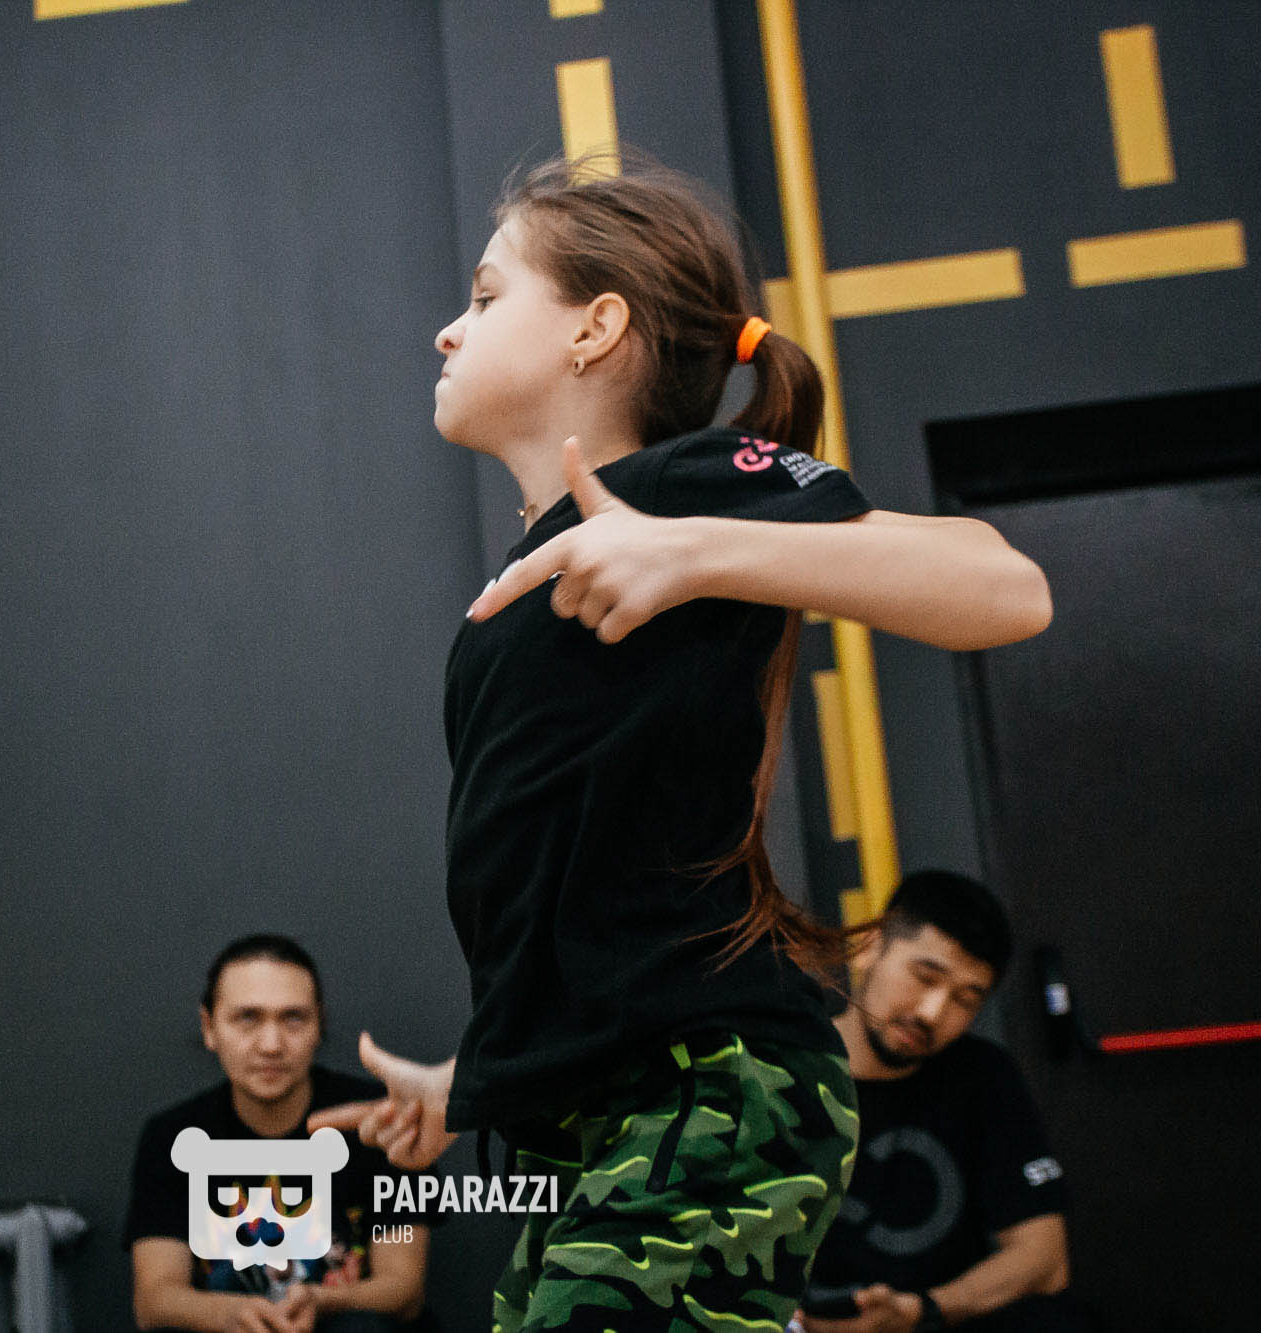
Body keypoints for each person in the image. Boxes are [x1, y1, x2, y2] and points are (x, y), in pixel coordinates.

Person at [307, 150, 1054, 1333]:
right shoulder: (542, 567)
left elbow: (1005, 587)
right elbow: (582, 893)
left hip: (710, 1092)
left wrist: (692, 548)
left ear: (595, 328)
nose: (448, 331)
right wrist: (479, 1080)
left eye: (487, 297)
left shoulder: (687, 486)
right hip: (599, 1112)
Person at [796, 872, 1082, 1333]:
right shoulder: (779, 1069)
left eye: (965, 1001)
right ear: (870, 946)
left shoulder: (982, 1075)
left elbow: (1044, 1259)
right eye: (924, 977)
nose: (932, 1013)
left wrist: (923, 1311)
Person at [125, 934, 435, 1333]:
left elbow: (404, 1291)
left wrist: (320, 1300)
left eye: (293, 1019)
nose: (271, 1045)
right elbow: (155, 1300)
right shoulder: (173, 1137)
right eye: (247, 1018)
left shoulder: (377, 1123)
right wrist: (233, 1315)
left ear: (319, 1025)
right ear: (209, 1027)